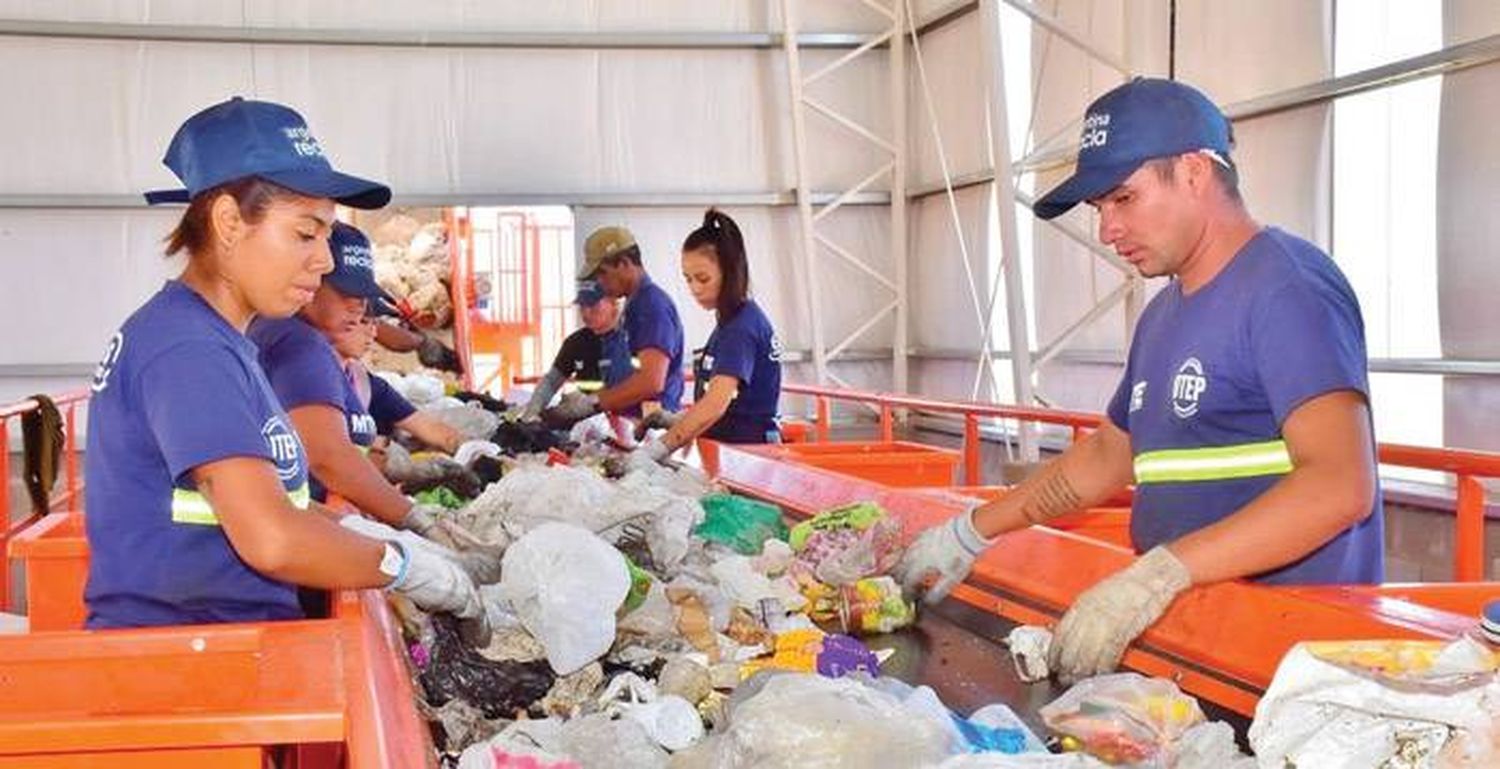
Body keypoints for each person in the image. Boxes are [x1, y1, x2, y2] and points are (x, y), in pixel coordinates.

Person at [894, 78, 1383, 682]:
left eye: (1124, 198)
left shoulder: (1286, 288)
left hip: (1284, 660)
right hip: (1193, 643)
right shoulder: (1163, 313)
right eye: (1100, 208)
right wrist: (971, 531)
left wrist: (1158, 575)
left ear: (1195, 172)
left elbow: (1339, 485)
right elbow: (1107, 455)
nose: (1107, 230)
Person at [83, 97, 485, 633]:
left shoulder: (224, 342)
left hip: (222, 647)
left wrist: (386, 538)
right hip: (187, 666)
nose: (323, 260)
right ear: (228, 220)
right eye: (304, 233)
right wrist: (404, 568)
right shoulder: (187, 349)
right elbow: (271, 537)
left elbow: (278, 502)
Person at [248, 221, 470, 549]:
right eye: (346, 292)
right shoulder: (298, 345)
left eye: (364, 297)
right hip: (298, 547)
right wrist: (418, 525)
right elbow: (327, 458)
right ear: (310, 281)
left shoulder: (314, 350)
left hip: (309, 530)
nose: (359, 307)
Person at [633, 210, 783, 463]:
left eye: (703, 279)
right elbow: (727, 406)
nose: (694, 289)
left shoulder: (741, 328)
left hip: (751, 458)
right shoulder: (728, 323)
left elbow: (715, 404)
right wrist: (673, 419)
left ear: (730, 271)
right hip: (732, 453)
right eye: (688, 279)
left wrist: (655, 451)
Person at [545, 226, 685, 423]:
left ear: (625, 263)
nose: (600, 282)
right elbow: (626, 372)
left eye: (603, 273)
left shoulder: (651, 306)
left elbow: (651, 381)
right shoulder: (634, 305)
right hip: (628, 421)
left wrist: (592, 404)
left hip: (649, 425)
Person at [519, 278, 632, 421]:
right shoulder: (576, 342)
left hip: (626, 420)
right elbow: (551, 381)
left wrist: (590, 402)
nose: (586, 313)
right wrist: (532, 411)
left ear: (613, 303)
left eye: (593, 305)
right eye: (582, 306)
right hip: (586, 423)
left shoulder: (631, 340)